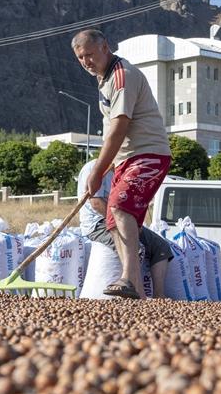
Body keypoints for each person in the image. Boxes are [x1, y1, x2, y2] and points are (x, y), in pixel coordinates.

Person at [72, 28, 171, 300]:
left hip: (147, 153)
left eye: (90, 54)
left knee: (119, 206)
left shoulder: (121, 76)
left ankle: (127, 277)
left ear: (105, 47)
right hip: (127, 159)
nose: (86, 62)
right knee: (114, 219)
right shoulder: (104, 80)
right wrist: (109, 167)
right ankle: (137, 292)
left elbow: (119, 127)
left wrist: (97, 171)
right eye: (81, 57)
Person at [76, 158, 171, 298]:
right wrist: (125, 224)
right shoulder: (94, 169)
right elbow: (96, 203)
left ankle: (159, 296)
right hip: (98, 224)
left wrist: (134, 224)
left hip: (123, 220)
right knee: (135, 248)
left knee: (161, 246)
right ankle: (139, 295)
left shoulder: (125, 172)